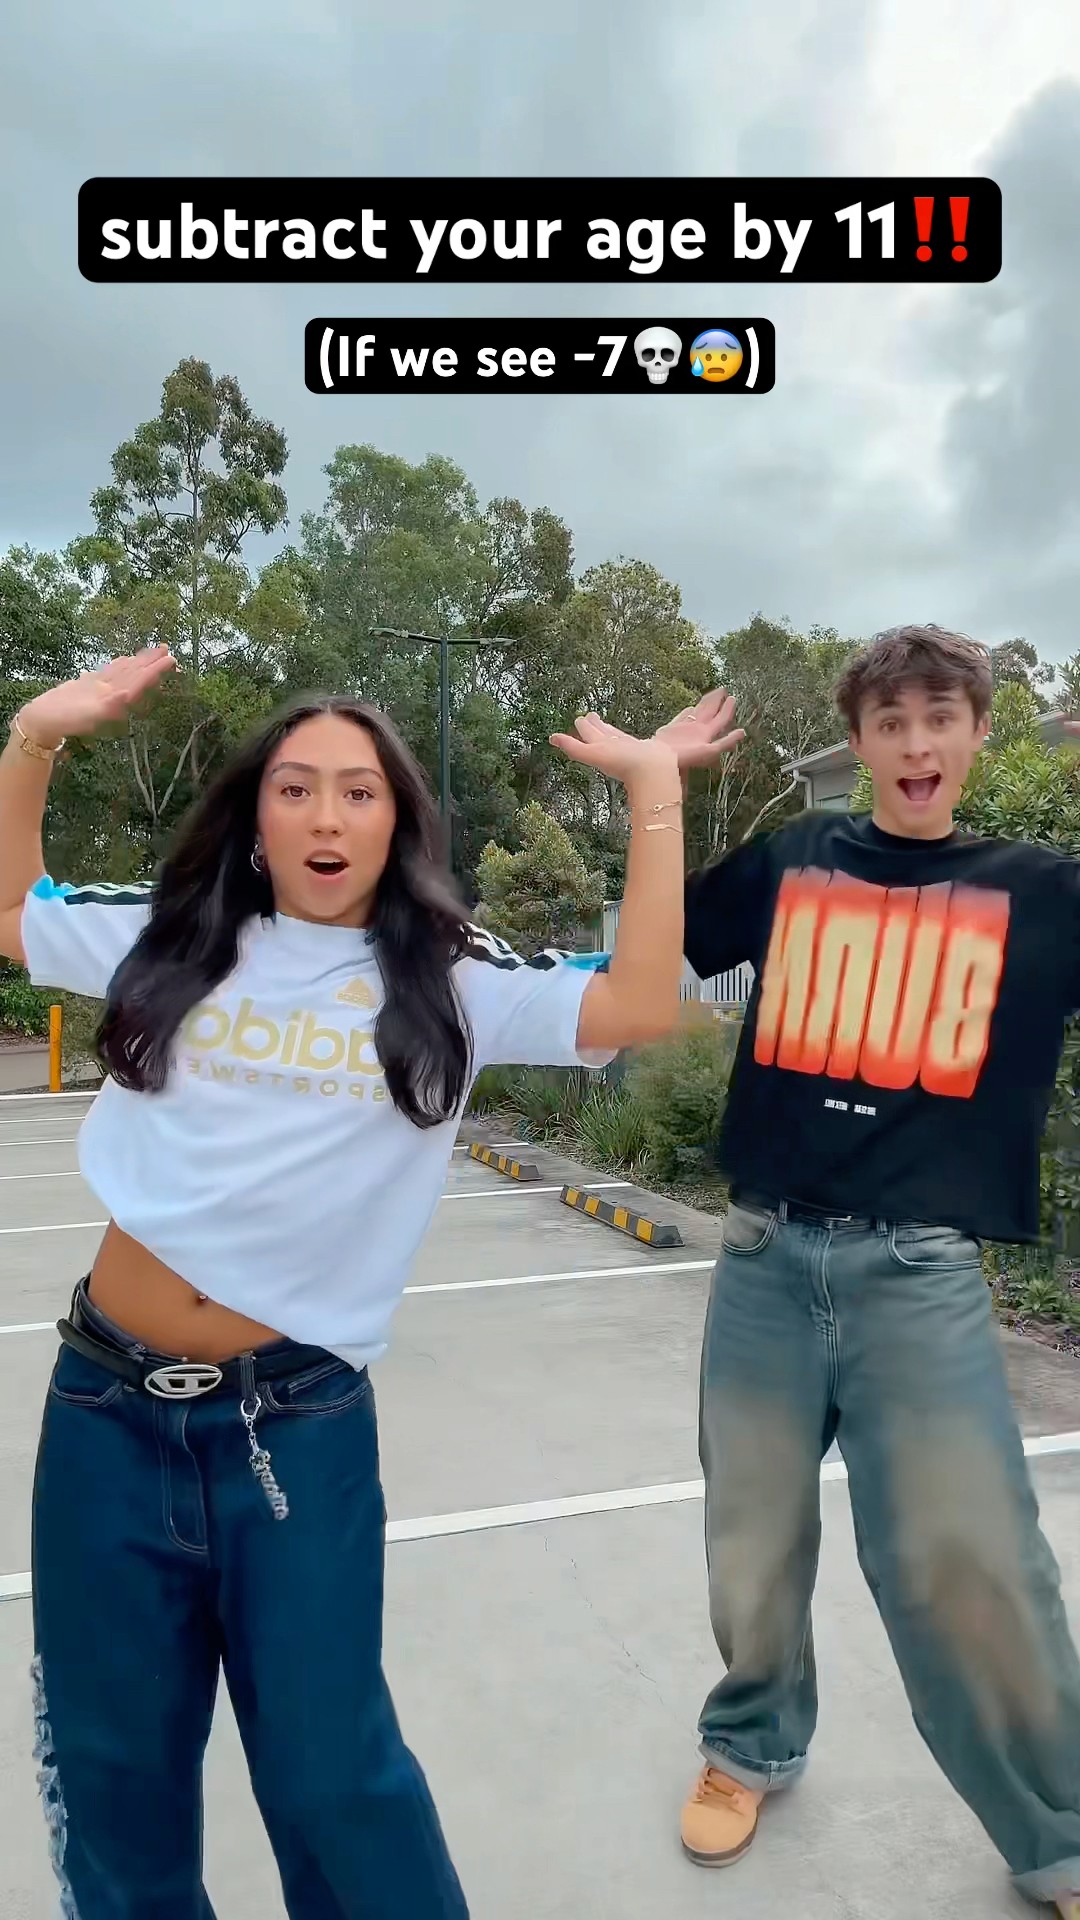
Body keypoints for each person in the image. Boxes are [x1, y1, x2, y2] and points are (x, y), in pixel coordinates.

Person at [0, 645, 743, 1920]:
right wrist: (33, 740)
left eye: (358, 792)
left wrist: (654, 791)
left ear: (397, 822)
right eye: (295, 789)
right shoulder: (174, 934)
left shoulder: (450, 976)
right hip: (104, 1411)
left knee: (335, 1777)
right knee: (114, 1775)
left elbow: (635, 1004)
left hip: (293, 1427)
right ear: (257, 819)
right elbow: (14, 916)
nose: (326, 817)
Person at [657, 626, 1080, 1917]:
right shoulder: (796, 859)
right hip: (765, 1252)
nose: (914, 742)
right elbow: (663, 940)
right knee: (752, 1540)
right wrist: (655, 793)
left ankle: (1061, 1832)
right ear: (859, 742)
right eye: (890, 721)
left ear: (977, 735)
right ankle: (750, 1743)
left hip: (921, 1273)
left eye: (940, 717)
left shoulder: (1039, 892)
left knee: (973, 1557)